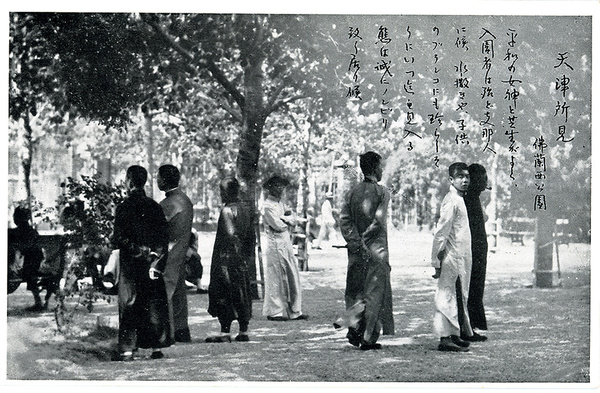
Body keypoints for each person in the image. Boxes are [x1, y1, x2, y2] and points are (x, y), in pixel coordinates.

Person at [112, 165, 172, 361]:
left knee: (130, 301)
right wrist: (155, 257)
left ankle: (128, 349)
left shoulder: (123, 207)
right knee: (152, 302)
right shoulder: (154, 207)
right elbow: (164, 236)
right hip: (151, 262)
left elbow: (119, 238)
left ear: (129, 181)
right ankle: (155, 347)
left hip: (131, 262)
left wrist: (136, 250)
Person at [338, 151, 394, 350]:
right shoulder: (382, 192)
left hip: (355, 251)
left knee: (355, 291)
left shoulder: (351, 192)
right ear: (374, 168)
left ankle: (352, 327)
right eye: (380, 167)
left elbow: (344, 220)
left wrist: (354, 242)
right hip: (375, 249)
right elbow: (379, 221)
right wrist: (364, 241)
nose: (381, 170)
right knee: (374, 293)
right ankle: (368, 338)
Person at [431, 162, 474, 352]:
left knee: (458, 295)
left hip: (461, 256)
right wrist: (436, 260)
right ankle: (444, 338)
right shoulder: (451, 200)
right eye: (460, 177)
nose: (464, 180)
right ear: (451, 179)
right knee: (446, 295)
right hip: (450, 256)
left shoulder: (459, 199)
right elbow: (441, 232)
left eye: (467, 177)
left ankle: (454, 334)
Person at [205, 177, 254, 343]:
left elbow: (232, 234)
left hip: (226, 258)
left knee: (224, 291)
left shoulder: (227, 211)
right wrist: (246, 257)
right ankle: (243, 329)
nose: (220, 195)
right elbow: (250, 236)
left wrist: (234, 253)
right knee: (241, 292)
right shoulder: (245, 209)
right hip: (241, 260)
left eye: (222, 191)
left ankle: (225, 331)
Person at [261, 175, 308, 321]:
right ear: (270, 187)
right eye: (277, 186)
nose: (280, 189)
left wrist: (287, 218)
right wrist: (287, 220)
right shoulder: (267, 206)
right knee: (276, 276)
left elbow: (291, 218)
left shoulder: (280, 204)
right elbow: (278, 225)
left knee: (291, 273)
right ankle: (275, 311)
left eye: (282, 186)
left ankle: (294, 310)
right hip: (275, 243)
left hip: (285, 241)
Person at [157, 164, 195, 343]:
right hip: (181, 251)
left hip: (169, 252)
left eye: (158, 177)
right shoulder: (185, 200)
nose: (156, 180)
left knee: (166, 291)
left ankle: (168, 331)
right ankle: (181, 329)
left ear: (164, 180)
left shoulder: (167, 204)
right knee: (178, 292)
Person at [463, 163, 490, 341]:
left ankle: (471, 326)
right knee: (472, 287)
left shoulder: (474, 199)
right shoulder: (468, 199)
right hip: (472, 251)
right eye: (483, 177)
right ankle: (468, 328)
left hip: (478, 250)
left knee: (476, 287)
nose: (485, 181)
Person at [8, 207, 45, 311]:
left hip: (28, 266)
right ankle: (38, 301)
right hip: (32, 264)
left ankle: (38, 302)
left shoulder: (14, 233)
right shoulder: (32, 232)